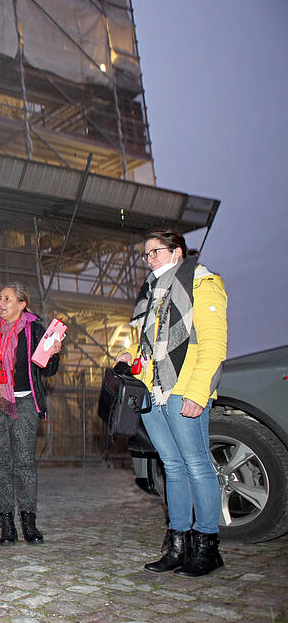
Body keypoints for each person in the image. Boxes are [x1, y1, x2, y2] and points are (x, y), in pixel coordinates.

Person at [116, 229, 227, 577]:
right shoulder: (150, 294)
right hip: (153, 391)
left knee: (196, 465)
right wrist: (127, 354)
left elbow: (214, 345)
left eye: (156, 251)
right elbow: (146, 343)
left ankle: (207, 546)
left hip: (184, 387)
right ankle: (178, 544)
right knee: (172, 467)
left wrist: (197, 393)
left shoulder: (203, 281)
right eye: (146, 254)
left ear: (177, 252)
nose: (150, 259)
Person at [0, 283, 61, 546]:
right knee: (2, 465)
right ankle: (7, 526)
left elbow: (48, 370)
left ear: (22, 304)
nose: (2, 302)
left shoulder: (35, 330)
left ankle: (29, 524)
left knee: (25, 463)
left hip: (25, 403)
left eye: (7, 298)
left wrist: (53, 354)